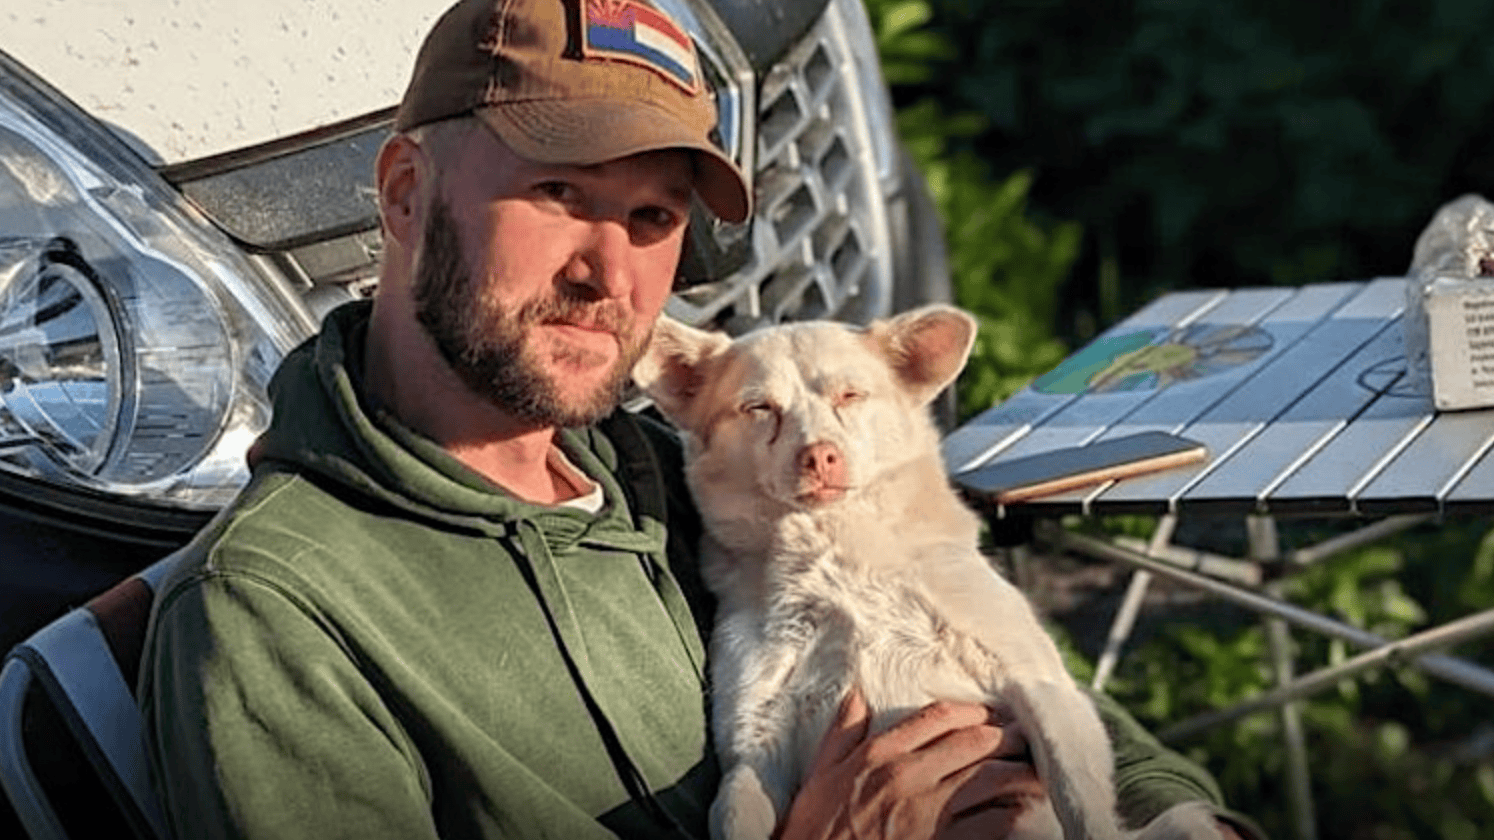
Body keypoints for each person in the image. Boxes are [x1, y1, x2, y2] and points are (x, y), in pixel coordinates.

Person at [139, 0, 1260, 838]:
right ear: (401, 193)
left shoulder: (682, 473)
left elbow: (1005, 654)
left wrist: (1174, 812)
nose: (608, 271)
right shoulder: (275, 613)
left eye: (651, 214)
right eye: (557, 194)